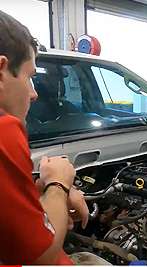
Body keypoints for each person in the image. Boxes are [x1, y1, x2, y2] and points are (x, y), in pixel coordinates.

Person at [0, 10, 89, 264]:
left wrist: (43, 194)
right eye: (29, 77)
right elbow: (42, 255)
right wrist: (59, 184)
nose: (33, 93)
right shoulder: (5, 130)